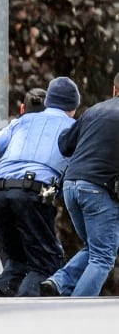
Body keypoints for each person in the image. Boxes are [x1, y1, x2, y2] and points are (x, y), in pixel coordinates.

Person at [0, 78, 79, 297]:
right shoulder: (74, 127)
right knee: (47, 263)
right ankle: (24, 306)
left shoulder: (22, 121)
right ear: (74, 107)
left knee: (17, 262)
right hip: (33, 193)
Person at [40, 73, 119, 297]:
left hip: (71, 187)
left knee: (95, 248)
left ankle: (57, 282)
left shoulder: (93, 110)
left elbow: (65, 144)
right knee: (103, 256)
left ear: (114, 90)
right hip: (98, 190)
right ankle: (75, 310)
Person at [0, 88, 47, 269]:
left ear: (22, 109)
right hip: (32, 201)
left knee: (12, 266)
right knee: (41, 265)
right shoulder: (52, 132)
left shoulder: (10, 131)